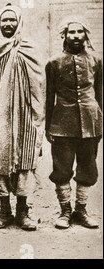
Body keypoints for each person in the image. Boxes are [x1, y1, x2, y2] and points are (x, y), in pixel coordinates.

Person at [0, 4, 45, 231]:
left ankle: (23, 211)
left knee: (25, 159)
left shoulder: (29, 49)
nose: (8, 24)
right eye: (4, 20)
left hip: (24, 114)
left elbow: (39, 87)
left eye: (12, 20)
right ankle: (4, 210)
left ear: (19, 22)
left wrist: (37, 120)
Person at [45, 16, 102, 229]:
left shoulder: (97, 61)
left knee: (87, 167)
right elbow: (49, 97)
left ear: (86, 34)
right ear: (64, 35)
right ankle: (65, 211)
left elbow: (100, 94)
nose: (76, 36)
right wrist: (49, 126)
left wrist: (100, 123)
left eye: (80, 32)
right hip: (62, 123)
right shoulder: (54, 62)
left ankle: (81, 210)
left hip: (90, 122)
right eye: (71, 32)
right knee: (62, 168)